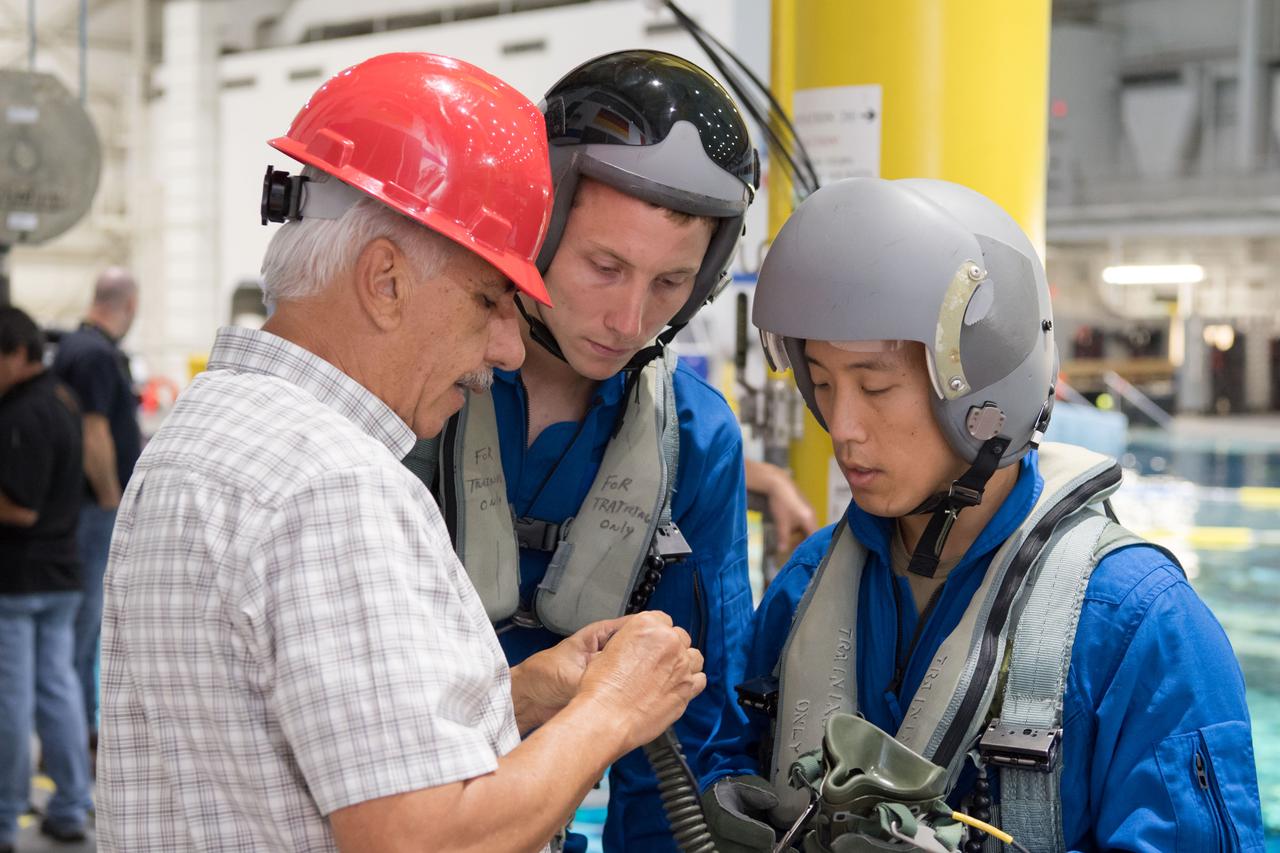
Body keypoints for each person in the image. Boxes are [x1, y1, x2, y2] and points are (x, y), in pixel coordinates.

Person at [97, 52, 705, 853]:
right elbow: (423, 841)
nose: (507, 348)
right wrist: (613, 709)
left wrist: (521, 692)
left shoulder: (208, 434)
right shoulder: (333, 487)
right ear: (384, 280)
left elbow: (311, 747)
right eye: (490, 300)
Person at [698, 178, 1265, 852]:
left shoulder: (1140, 630)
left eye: (875, 384)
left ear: (987, 391)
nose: (842, 426)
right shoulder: (805, 589)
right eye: (822, 382)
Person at [403, 49, 758, 851]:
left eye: (671, 283)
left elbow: (691, 732)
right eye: (605, 266)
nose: (630, 318)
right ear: (541, 223)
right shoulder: (411, 390)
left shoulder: (695, 442)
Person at [0, 306, 93, 851]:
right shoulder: (62, 399)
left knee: (11, 701)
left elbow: (20, 508)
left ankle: (5, 815)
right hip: (60, 574)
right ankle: (71, 804)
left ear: (16, 355)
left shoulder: (20, 414)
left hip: (19, 580)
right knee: (57, 691)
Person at [51, 266, 141, 739]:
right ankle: (82, 731)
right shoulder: (95, 356)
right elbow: (94, 433)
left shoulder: (75, 346)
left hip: (80, 511)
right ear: (130, 306)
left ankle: (76, 727)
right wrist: (113, 502)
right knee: (88, 629)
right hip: (93, 513)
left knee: (82, 629)